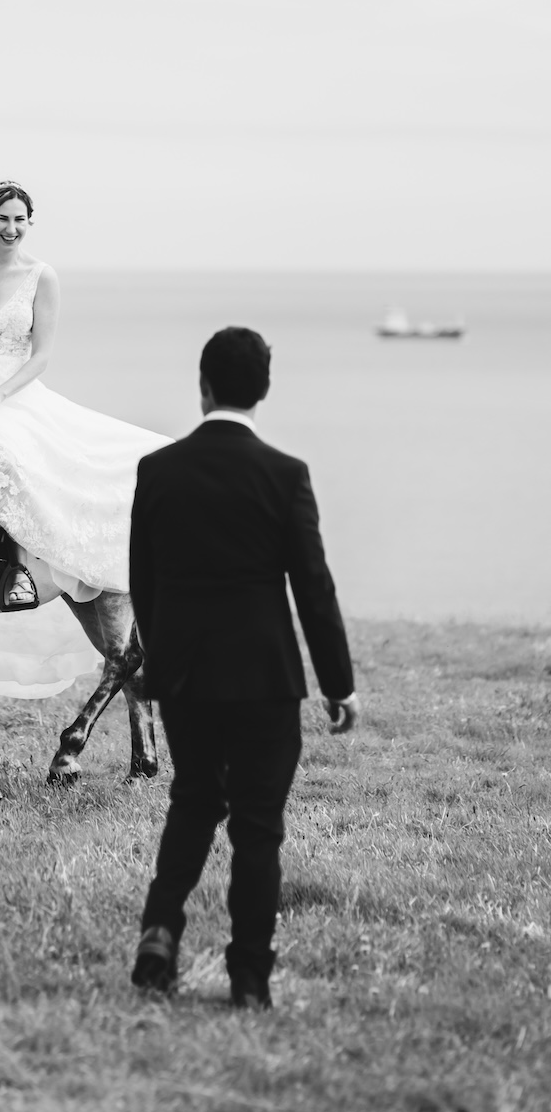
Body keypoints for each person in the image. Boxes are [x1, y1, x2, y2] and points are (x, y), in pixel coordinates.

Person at [128, 326, 360, 1008]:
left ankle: (159, 933)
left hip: (186, 677)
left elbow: (143, 581)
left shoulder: (158, 471)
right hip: (265, 678)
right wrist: (338, 684)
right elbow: (313, 586)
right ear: (263, 390)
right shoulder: (285, 475)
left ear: (203, 387)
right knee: (258, 826)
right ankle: (251, 978)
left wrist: (162, 664)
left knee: (194, 801)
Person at [0, 180, 172, 613]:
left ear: (29, 223)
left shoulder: (42, 277)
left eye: (19, 220)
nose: (11, 228)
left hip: (10, 393)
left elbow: (42, 356)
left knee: (7, 459)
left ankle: (17, 568)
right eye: (2, 219)